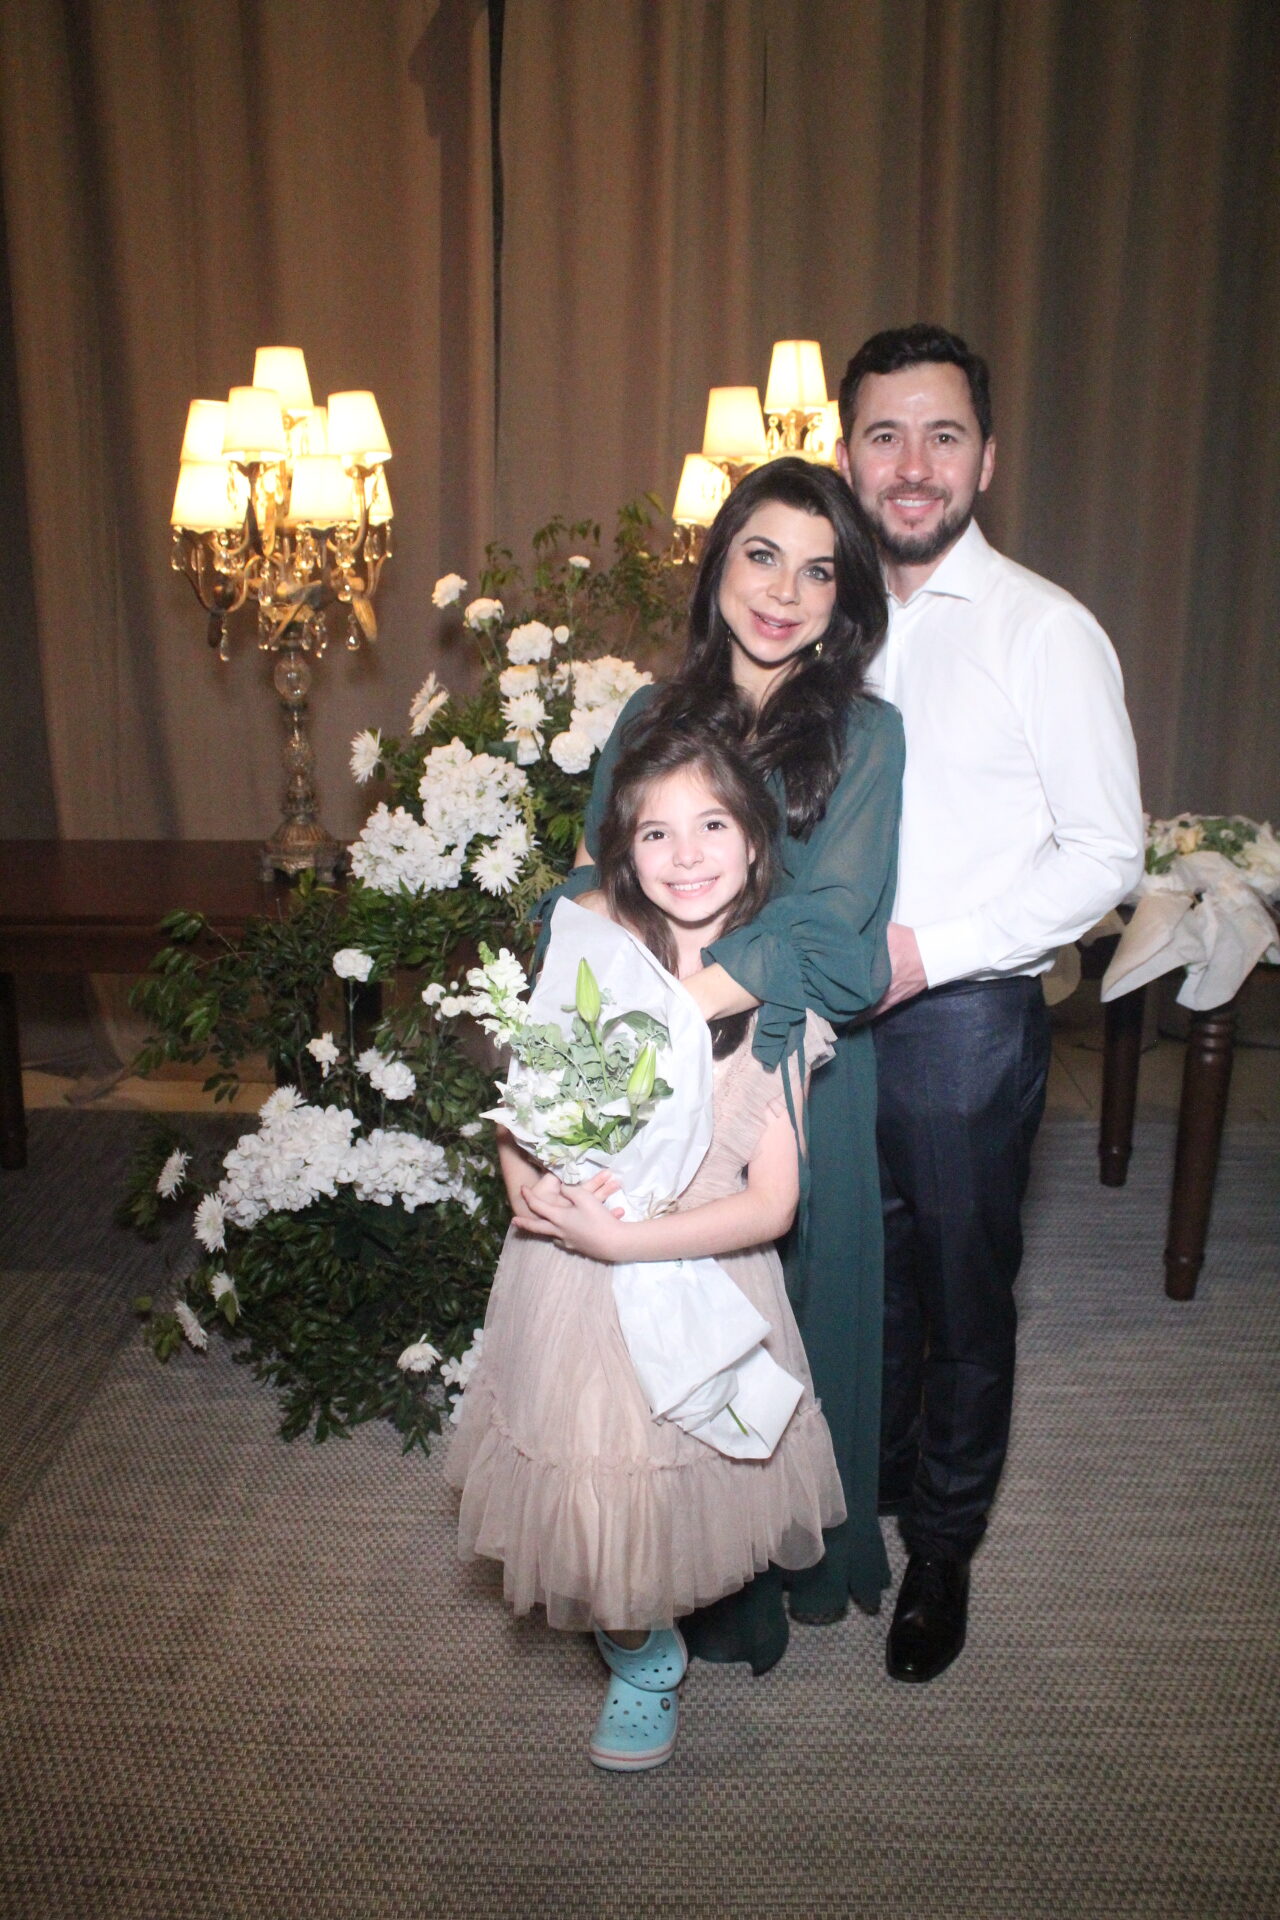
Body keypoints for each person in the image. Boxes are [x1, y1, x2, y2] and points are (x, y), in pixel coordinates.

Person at [550, 458, 904, 1670]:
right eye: (761, 555)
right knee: (645, 1328)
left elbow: (834, 930)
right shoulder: (647, 716)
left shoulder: (865, 735)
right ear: (717, 565)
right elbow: (592, 887)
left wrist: (668, 1015)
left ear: (845, 600)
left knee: (775, 1323)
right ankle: (666, 1577)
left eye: (818, 572)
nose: (783, 593)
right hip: (643, 1071)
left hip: (791, 1068)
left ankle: (764, 1576)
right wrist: (589, 1048)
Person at [447, 724, 847, 1772]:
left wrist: (632, 1244)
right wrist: (527, 1182)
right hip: (568, 1281)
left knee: (668, 1486)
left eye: (711, 825)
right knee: (586, 1492)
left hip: (700, 1271)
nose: (685, 854)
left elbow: (771, 1205)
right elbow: (521, 1110)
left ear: (754, 841)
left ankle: (645, 1641)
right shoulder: (592, 949)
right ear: (623, 850)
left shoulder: (776, 994)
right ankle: (640, 1654)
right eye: (656, 833)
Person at [836, 323, 1144, 1682]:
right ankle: (867, 1492)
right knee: (856, 1274)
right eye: (885, 435)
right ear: (846, 453)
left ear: (987, 458)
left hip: (962, 1019)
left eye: (942, 436)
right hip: (825, 1016)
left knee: (962, 1295)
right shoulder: (818, 616)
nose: (913, 465)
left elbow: (1106, 853)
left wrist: (933, 952)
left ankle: (943, 1546)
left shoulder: (1044, 630)